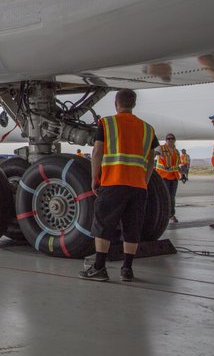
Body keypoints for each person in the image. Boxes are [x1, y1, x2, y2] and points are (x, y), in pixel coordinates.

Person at [80, 88, 159, 282]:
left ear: (116, 103)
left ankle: (99, 267)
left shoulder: (107, 123)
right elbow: (151, 158)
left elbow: (97, 152)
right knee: (132, 227)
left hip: (113, 183)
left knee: (103, 226)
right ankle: (127, 269)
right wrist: (145, 179)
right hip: (138, 186)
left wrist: (94, 177)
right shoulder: (148, 128)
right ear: (133, 104)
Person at [156, 134, 182, 223]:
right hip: (164, 177)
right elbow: (152, 154)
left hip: (174, 177)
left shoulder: (177, 151)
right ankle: (163, 215)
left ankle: (171, 215)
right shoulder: (161, 148)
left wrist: (182, 174)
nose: (170, 140)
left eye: (172, 138)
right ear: (166, 140)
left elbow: (177, 165)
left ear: (174, 140)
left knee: (172, 197)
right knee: (164, 197)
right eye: (168, 138)